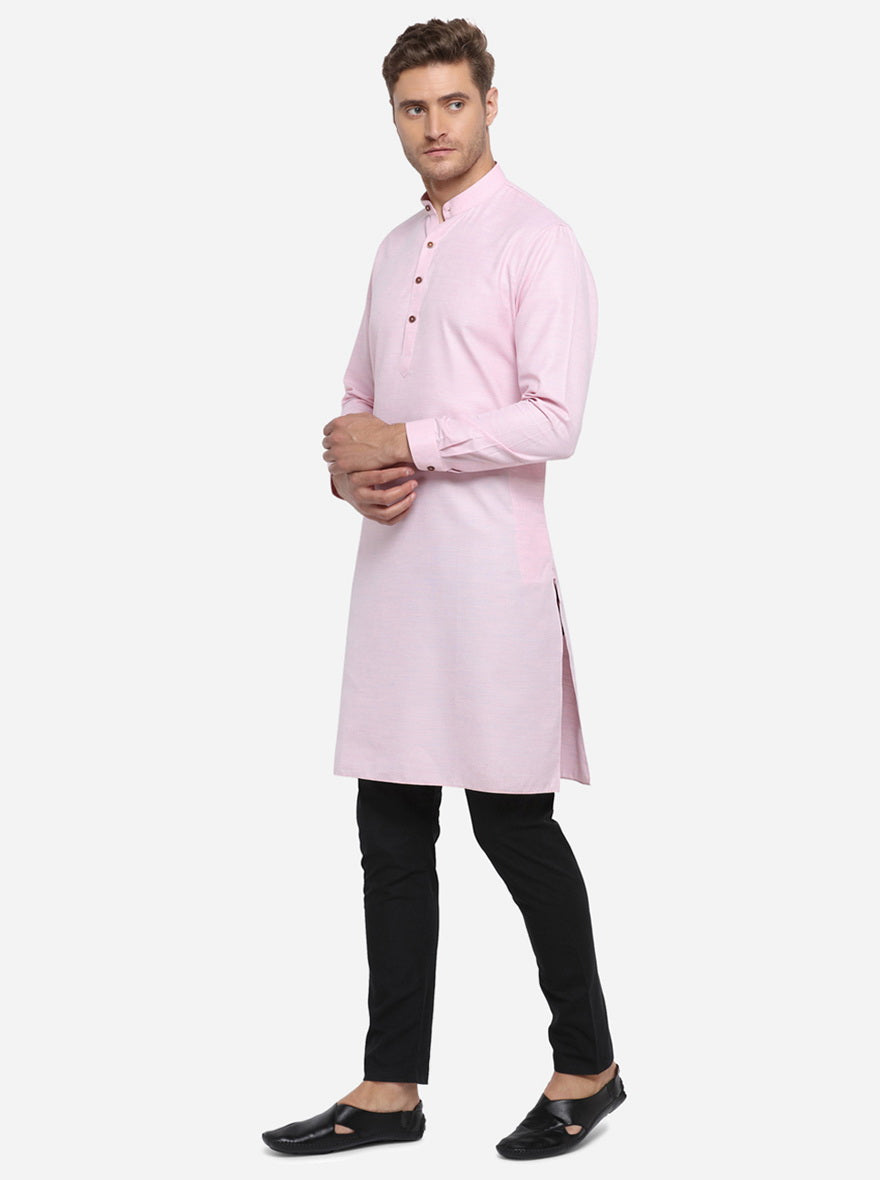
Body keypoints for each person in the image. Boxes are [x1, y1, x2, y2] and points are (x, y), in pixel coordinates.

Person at [262, 18, 625, 1160]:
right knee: (388, 829)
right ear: (394, 116)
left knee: (514, 826)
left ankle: (590, 1065)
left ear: (490, 103)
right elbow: (357, 399)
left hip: (489, 583)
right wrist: (349, 472)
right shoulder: (389, 249)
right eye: (413, 108)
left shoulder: (539, 242)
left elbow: (554, 419)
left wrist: (407, 442)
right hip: (394, 578)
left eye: (452, 103)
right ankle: (390, 1087)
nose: (434, 126)